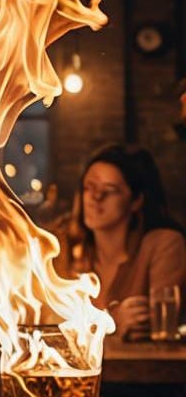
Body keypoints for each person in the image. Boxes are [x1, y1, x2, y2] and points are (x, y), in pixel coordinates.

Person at [56, 144, 186, 340]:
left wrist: (103, 326)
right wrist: (114, 322)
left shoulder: (162, 244)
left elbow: (156, 322)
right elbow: (49, 323)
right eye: (89, 188)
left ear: (136, 201)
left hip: (144, 369)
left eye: (110, 190)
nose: (95, 197)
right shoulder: (65, 247)